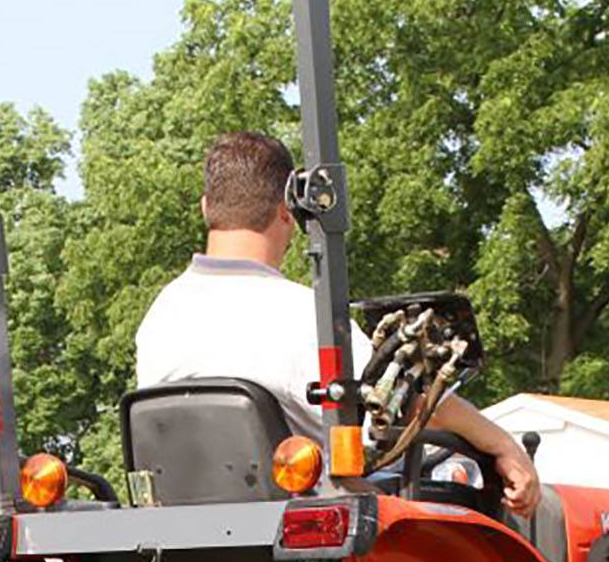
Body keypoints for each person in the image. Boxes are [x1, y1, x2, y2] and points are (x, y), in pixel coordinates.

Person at [134, 131, 541, 517]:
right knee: (459, 481)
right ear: (286, 212)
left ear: (206, 206)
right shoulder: (299, 315)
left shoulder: (160, 316)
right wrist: (504, 445)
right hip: (303, 516)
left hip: (184, 527)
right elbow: (402, 400)